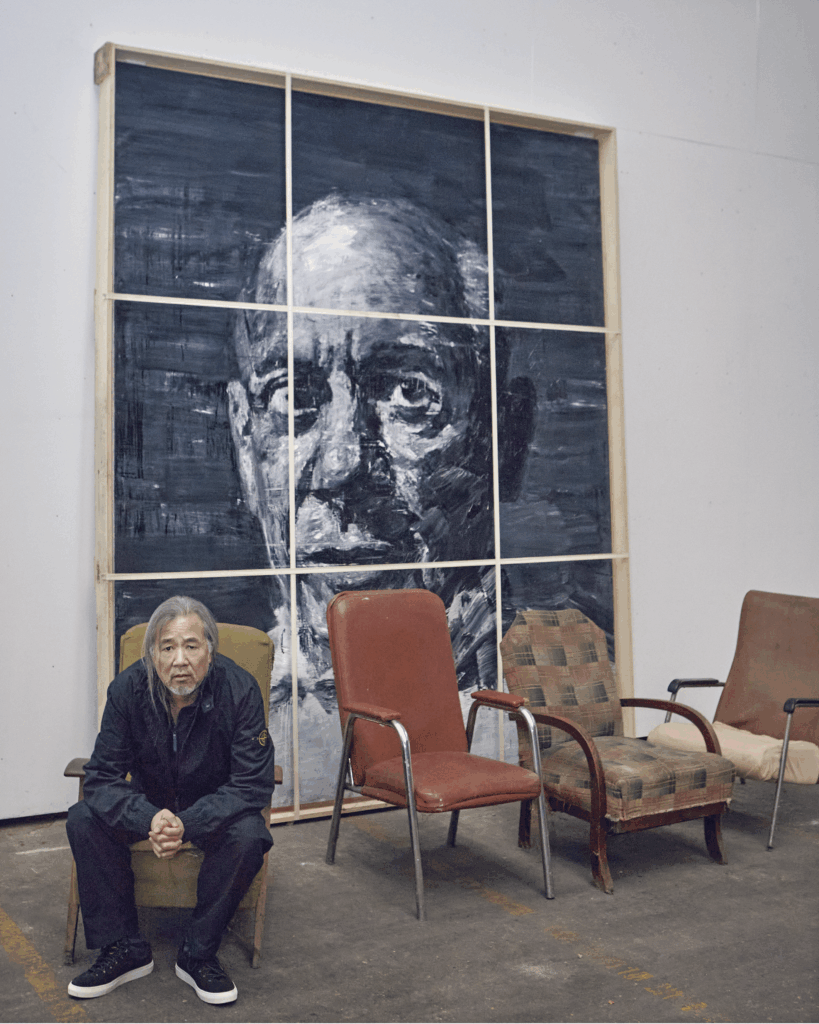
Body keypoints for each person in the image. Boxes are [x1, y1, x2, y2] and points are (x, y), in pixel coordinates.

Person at [226, 195, 531, 799]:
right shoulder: (224, 716)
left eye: (409, 393)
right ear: (243, 442)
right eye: (293, 396)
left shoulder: (536, 693)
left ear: (506, 438)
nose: (342, 465)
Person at [65, 596, 276, 1005]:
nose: (180, 660)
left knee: (251, 833)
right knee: (83, 817)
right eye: (167, 647)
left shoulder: (240, 690)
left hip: (213, 808)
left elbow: (252, 783)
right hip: (150, 805)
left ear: (210, 651)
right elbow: (103, 777)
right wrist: (149, 817)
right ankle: (124, 948)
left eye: (191, 646)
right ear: (152, 655)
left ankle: (198, 953)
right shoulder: (127, 690)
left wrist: (188, 823)